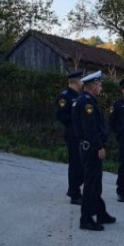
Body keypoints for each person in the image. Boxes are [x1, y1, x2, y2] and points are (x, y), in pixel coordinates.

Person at [72, 71, 116, 231]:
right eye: (99, 84)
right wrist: (99, 147)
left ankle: (101, 212)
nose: (101, 87)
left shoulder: (84, 99)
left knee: (95, 184)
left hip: (88, 146)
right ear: (92, 86)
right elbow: (90, 129)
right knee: (92, 185)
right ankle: (86, 219)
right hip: (91, 148)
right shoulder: (87, 103)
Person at [55, 70, 84, 205]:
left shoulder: (79, 95)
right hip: (72, 134)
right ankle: (74, 194)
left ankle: (75, 189)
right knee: (75, 164)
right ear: (75, 81)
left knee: (82, 164)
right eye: (81, 79)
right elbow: (60, 115)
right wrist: (75, 121)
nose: (82, 82)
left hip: (81, 134)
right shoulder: (65, 96)